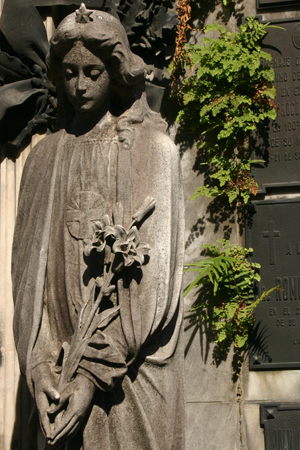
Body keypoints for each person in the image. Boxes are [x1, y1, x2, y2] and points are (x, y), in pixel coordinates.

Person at [12, 5, 185, 449]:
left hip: (130, 381)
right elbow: (29, 281)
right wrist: (39, 363)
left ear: (116, 71)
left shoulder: (153, 150)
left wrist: (90, 374)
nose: (80, 84)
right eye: (69, 72)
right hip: (58, 379)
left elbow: (152, 289)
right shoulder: (42, 160)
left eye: (93, 71)